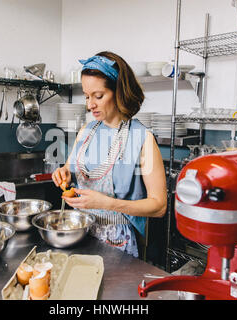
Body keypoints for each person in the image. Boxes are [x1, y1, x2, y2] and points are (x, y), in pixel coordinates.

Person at [52, 51, 167, 258]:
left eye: (98, 96)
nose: (89, 105)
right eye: (87, 96)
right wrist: (63, 173)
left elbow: (159, 206)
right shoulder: (86, 131)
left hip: (116, 242)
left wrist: (108, 203)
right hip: (80, 233)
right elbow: (69, 170)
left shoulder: (142, 139)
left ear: (119, 92)